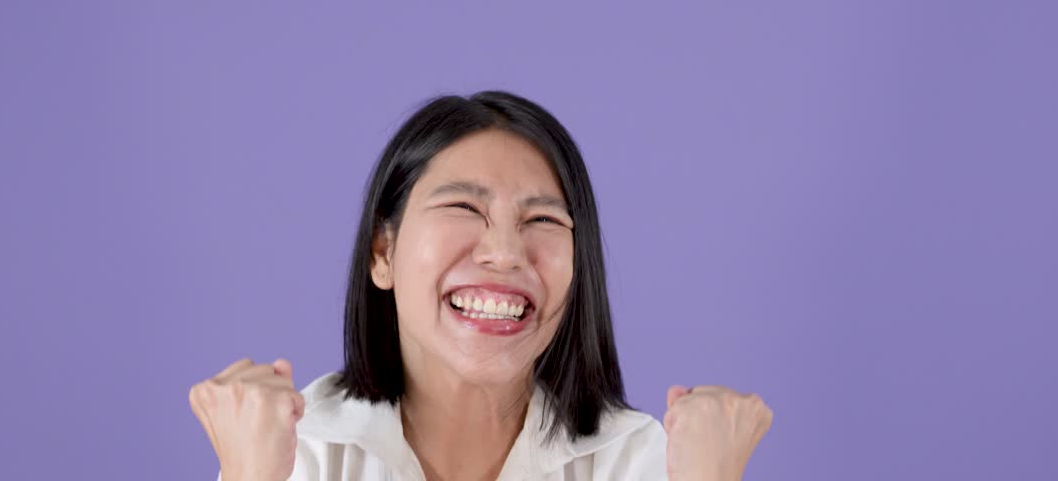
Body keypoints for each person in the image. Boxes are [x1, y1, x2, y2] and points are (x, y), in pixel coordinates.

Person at [190, 91, 772, 480]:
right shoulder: (293, 456)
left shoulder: (650, 464)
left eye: (543, 220)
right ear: (382, 253)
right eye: (465, 207)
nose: (503, 253)